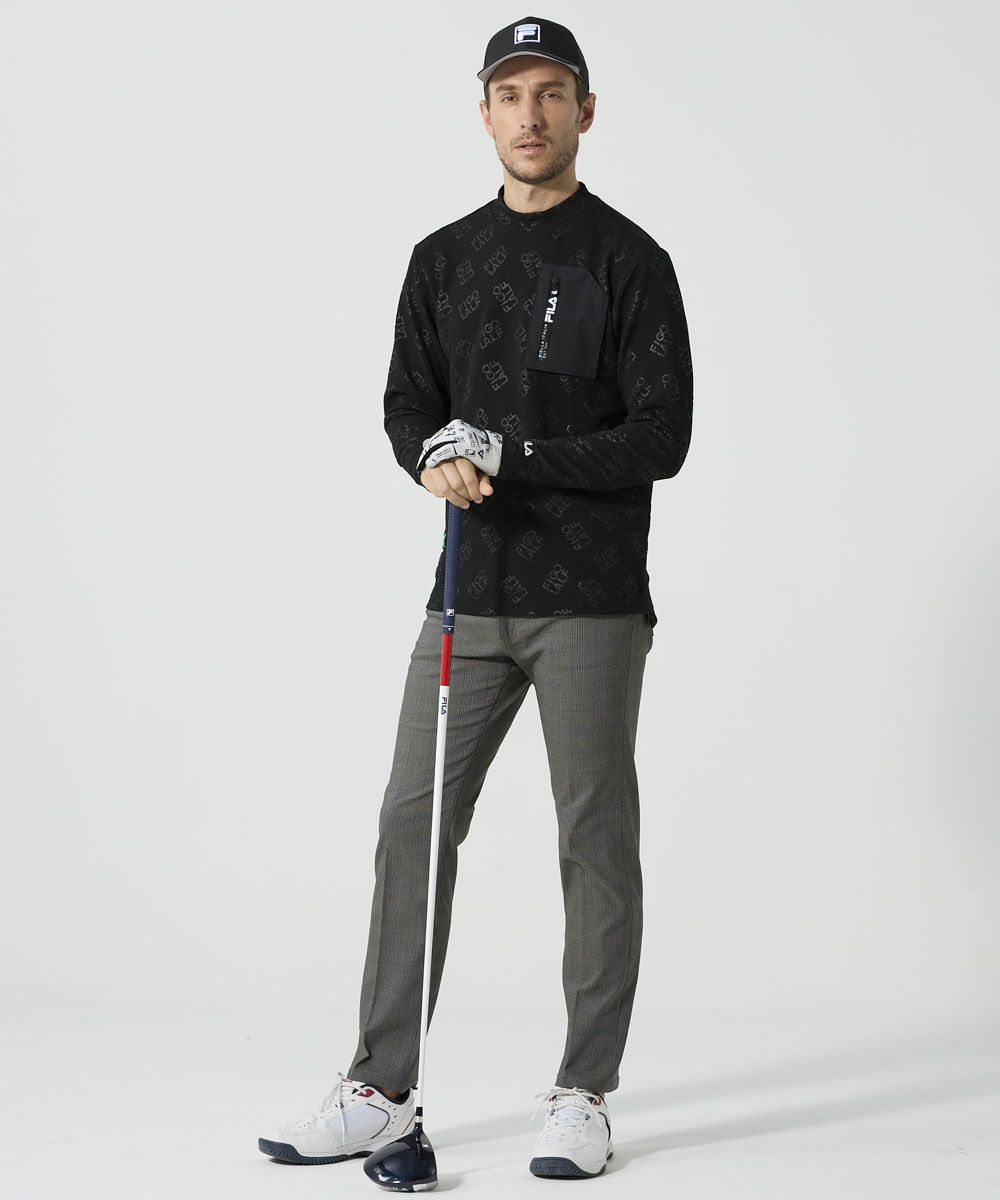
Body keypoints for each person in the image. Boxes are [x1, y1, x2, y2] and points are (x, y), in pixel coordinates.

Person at [258, 13, 693, 1181]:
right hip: (466, 593)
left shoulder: (629, 259)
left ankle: (583, 1094)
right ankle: (378, 1086)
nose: (530, 114)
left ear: (585, 111)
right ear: (485, 111)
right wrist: (431, 457)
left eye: (551, 92)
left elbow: (662, 435)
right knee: (413, 825)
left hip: (591, 599)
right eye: (510, 93)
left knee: (592, 838)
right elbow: (408, 400)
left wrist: (512, 452)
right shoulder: (442, 257)